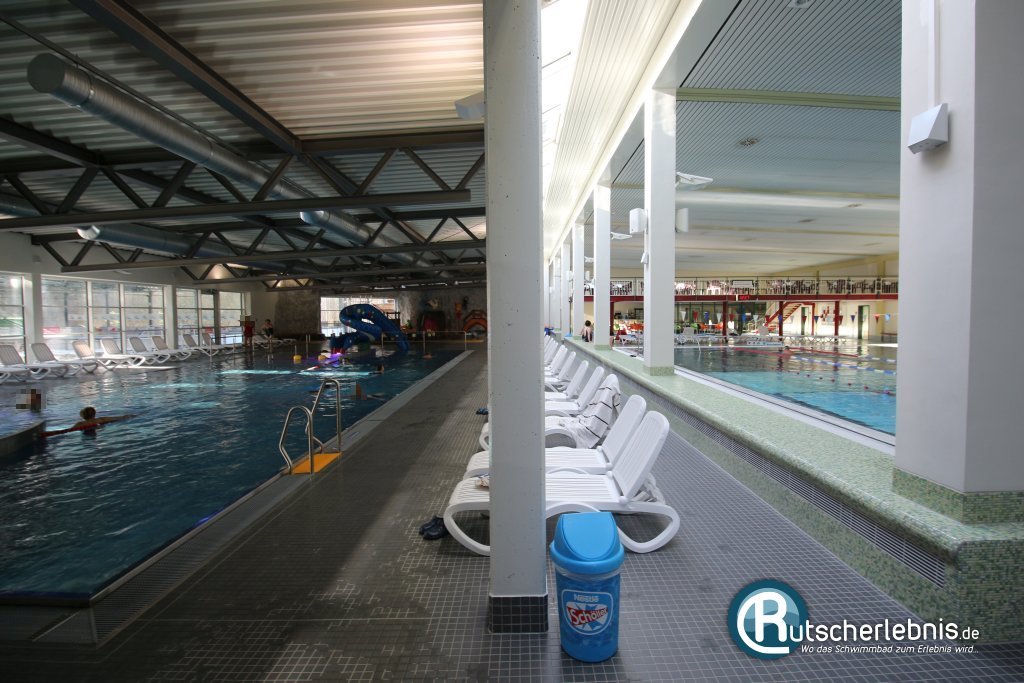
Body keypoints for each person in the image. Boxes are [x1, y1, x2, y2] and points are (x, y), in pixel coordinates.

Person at [41, 406, 136, 437]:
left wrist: (48, 433)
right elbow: (120, 418)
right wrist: (131, 415)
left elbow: (66, 431)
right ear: (94, 413)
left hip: (86, 429)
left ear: (82, 416)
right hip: (99, 426)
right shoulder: (102, 419)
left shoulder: (81, 423)